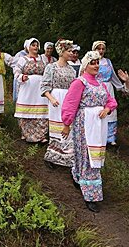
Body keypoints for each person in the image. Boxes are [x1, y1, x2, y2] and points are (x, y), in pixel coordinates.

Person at [61, 51, 118, 213]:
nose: (96, 65)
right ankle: (91, 195)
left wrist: (107, 109)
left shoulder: (100, 83)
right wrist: (67, 123)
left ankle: (78, 175)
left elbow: (111, 101)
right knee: (87, 156)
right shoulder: (79, 82)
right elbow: (70, 103)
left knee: (93, 155)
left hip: (99, 125)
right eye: (92, 63)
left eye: (97, 63)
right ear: (85, 65)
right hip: (85, 123)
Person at [42, 39, 77, 168]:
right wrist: (51, 98)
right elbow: (44, 86)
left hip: (68, 99)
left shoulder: (72, 70)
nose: (71, 53)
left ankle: (67, 155)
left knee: (67, 126)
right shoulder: (51, 67)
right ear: (62, 52)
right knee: (56, 127)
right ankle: (52, 155)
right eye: (69, 51)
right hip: (56, 99)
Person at [14, 38, 49, 142]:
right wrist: (21, 77)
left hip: (40, 89)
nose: (35, 47)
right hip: (27, 88)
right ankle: (26, 133)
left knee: (42, 112)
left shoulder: (43, 59)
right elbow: (16, 71)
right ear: (28, 47)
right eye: (33, 45)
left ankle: (41, 135)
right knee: (26, 111)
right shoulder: (23, 59)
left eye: (37, 45)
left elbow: (47, 71)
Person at [92, 41, 124, 145]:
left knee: (110, 110)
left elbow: (113, 76)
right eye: (98, 49)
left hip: (108, 87)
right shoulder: (91, 61)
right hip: (96, 87)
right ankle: (98, 135)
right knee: (99, 110)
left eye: (103, 49)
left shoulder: (108, 61)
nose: (101, 51)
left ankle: (110, 137)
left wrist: (121, 87)